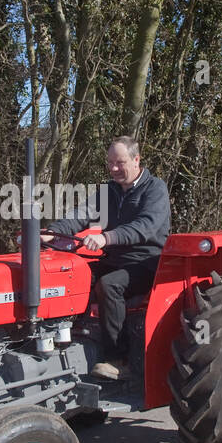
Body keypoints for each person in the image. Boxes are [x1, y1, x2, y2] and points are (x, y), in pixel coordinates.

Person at [44, 136, 171, 381]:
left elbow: (146, 226)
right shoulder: (109, 191)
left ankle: (119, 360)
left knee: (109, 285)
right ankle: (71, 343)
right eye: (110, 163)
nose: (113, 169)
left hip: (146, 261)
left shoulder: (155, 189)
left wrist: (107, 237)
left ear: (136, 160)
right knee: (71, 276)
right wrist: (51, 232)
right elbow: (80, 216)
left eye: (119, 162)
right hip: (114, 258)